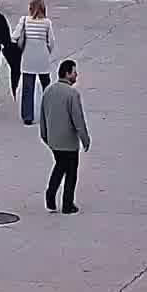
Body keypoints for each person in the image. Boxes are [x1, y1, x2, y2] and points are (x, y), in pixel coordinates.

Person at [40, 59, 91, 214]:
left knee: (60, 166)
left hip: (53, 140)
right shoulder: (72, 94)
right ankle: (67, 204)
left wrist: (45, 136)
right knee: (71, 173)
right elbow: (78, 119)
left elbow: (42, 115)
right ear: (68, 74)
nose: (76, 75)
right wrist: (85, 139)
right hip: (68, 141)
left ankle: (50, 196)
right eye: (74, 72)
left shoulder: (48, 90)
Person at [14, 0, 56, 126]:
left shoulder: (24, 20)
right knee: (46, 85)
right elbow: (51, 42)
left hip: (28, 57)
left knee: (28, 87)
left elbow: (15, 36)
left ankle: (28, 116)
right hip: (42, 58)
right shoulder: (47, 23)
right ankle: (50, 113)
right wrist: (46, 51)